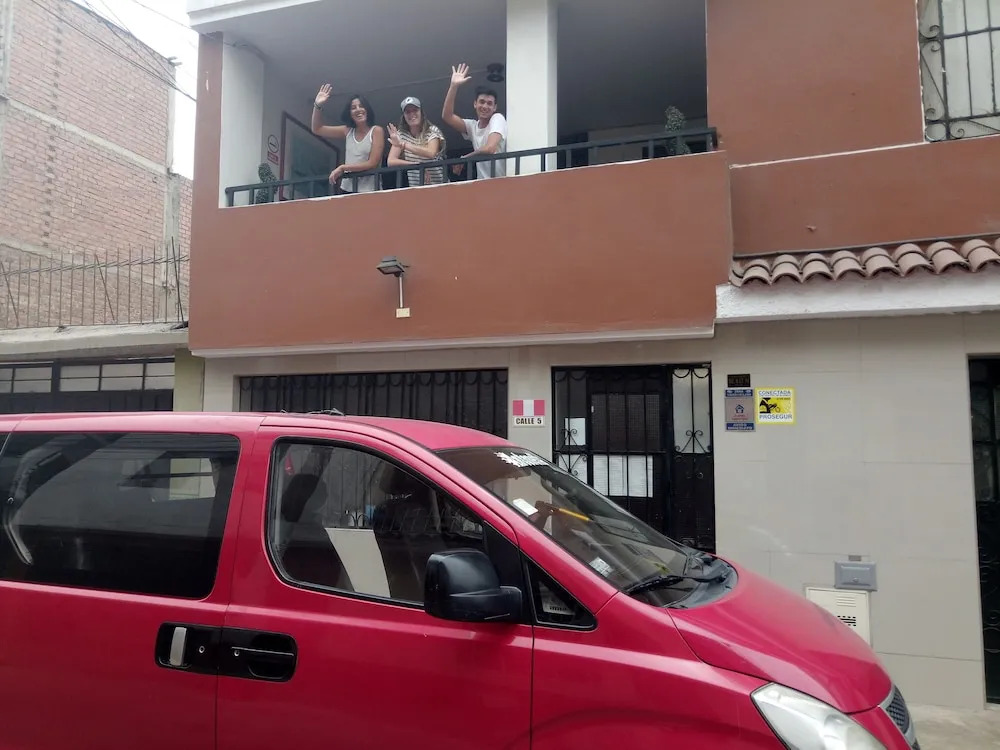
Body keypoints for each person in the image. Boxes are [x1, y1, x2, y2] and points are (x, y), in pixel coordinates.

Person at [311, 84, 385, 194]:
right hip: (347, 189)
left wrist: (343, 168)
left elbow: (372, 163)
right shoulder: (347, 131)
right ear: (349, 113)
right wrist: (317, 105)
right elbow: (317, 129)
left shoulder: (376, 131)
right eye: (353, 108)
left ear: (367, 110)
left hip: (370, 191)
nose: (358, 110)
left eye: (361, 106)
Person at [441, 63, 508, 179]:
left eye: (489, 103)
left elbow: (489, 148)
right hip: (483, 184)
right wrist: (453, 86)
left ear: (495, 107)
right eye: (482, 102)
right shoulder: (472, 126)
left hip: (502, 183)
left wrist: (465, 158)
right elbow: (447, 116)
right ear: (475, 104)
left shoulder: (497, 118)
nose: (485, 106)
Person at [386, 96, 446, 188]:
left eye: (415, 110)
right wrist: (415, 165)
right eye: (408, 112)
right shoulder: (401, 135)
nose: (412, 114)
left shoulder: (432, 130)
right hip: (417, 188)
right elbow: (391, 161)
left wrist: (403, 145)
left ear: (421, 112)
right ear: (404, 116)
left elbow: (431, 153)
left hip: (441, 186)